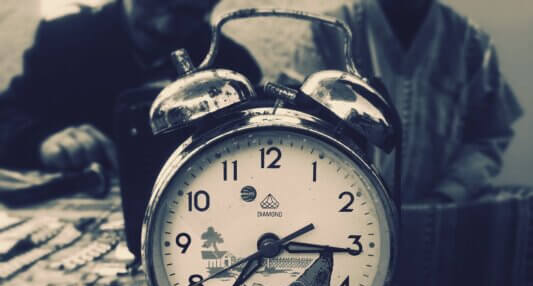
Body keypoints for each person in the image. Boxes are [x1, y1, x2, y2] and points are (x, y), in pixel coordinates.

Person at [0, 0, 261, 171]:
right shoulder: (63, 41)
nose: (164, 26)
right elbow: (6, 117)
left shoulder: (231, 65)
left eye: (188, 11)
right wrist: (40, 142)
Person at [310, 0, 522, 203]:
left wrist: (450, 191)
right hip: (344, 208)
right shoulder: (328, 31)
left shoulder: (471, 43)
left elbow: (489, 138)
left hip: (435, 215)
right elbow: (301, 131)